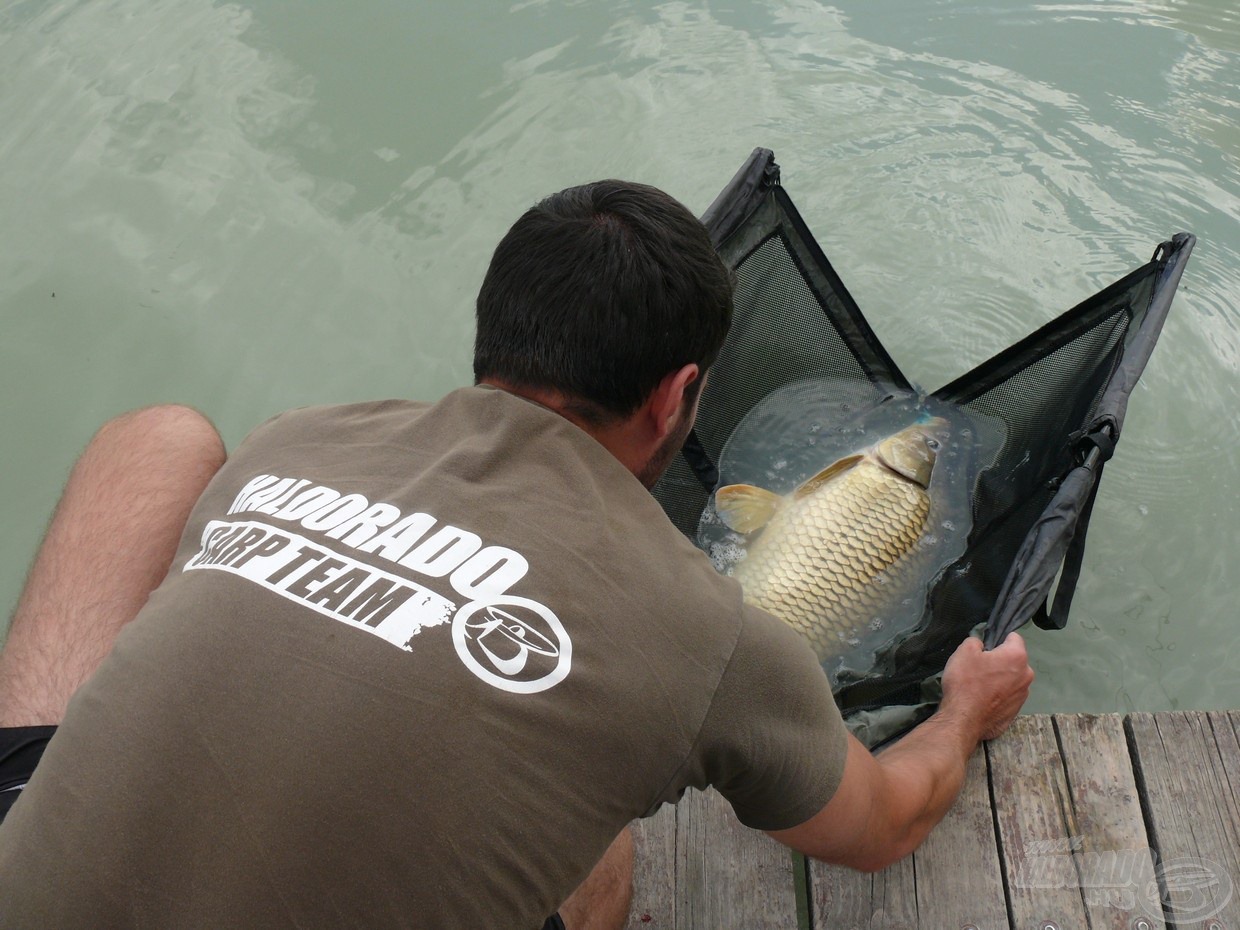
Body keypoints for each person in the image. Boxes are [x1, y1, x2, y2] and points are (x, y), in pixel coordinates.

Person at [0, 180, 1033, 928]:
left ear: (493, 336)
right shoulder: (707, 635)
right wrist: (961, 713)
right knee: (601, 858)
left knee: (161, 437)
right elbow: (881, 826)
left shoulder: (296, 439)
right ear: (677, 395)